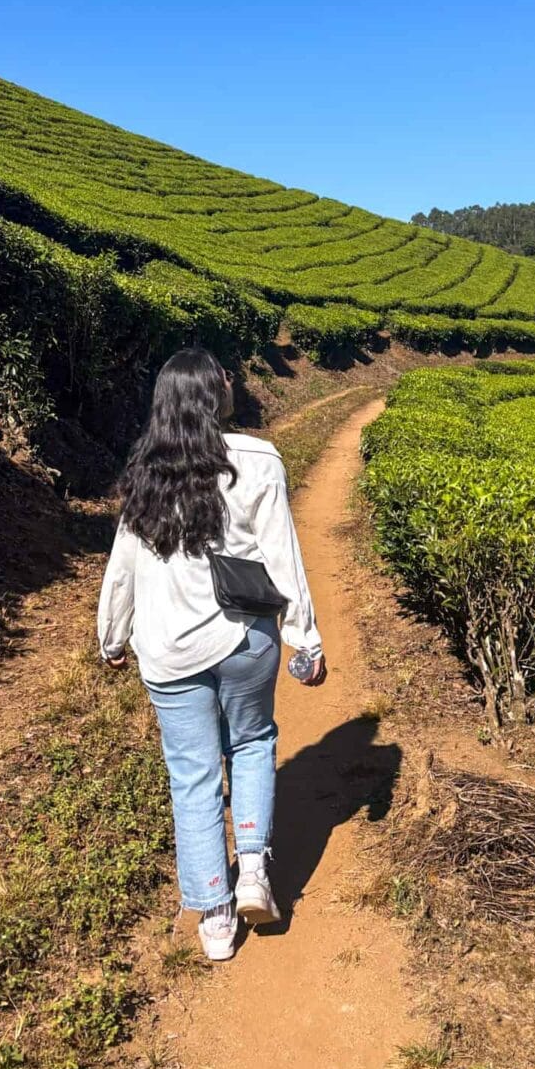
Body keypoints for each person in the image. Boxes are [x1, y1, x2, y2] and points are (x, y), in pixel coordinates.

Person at [96, 347, 325, 962]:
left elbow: (123, 569)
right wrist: (304, 637)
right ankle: (253, 867)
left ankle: (216, 915)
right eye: (224, 374)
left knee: (192, 775)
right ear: (212, 394)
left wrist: (112, 636)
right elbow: (283, 557)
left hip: (169, 648)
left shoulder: (143, 472)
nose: (231, 379)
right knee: (250, 743)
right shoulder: (257, 460)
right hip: (245, 638)